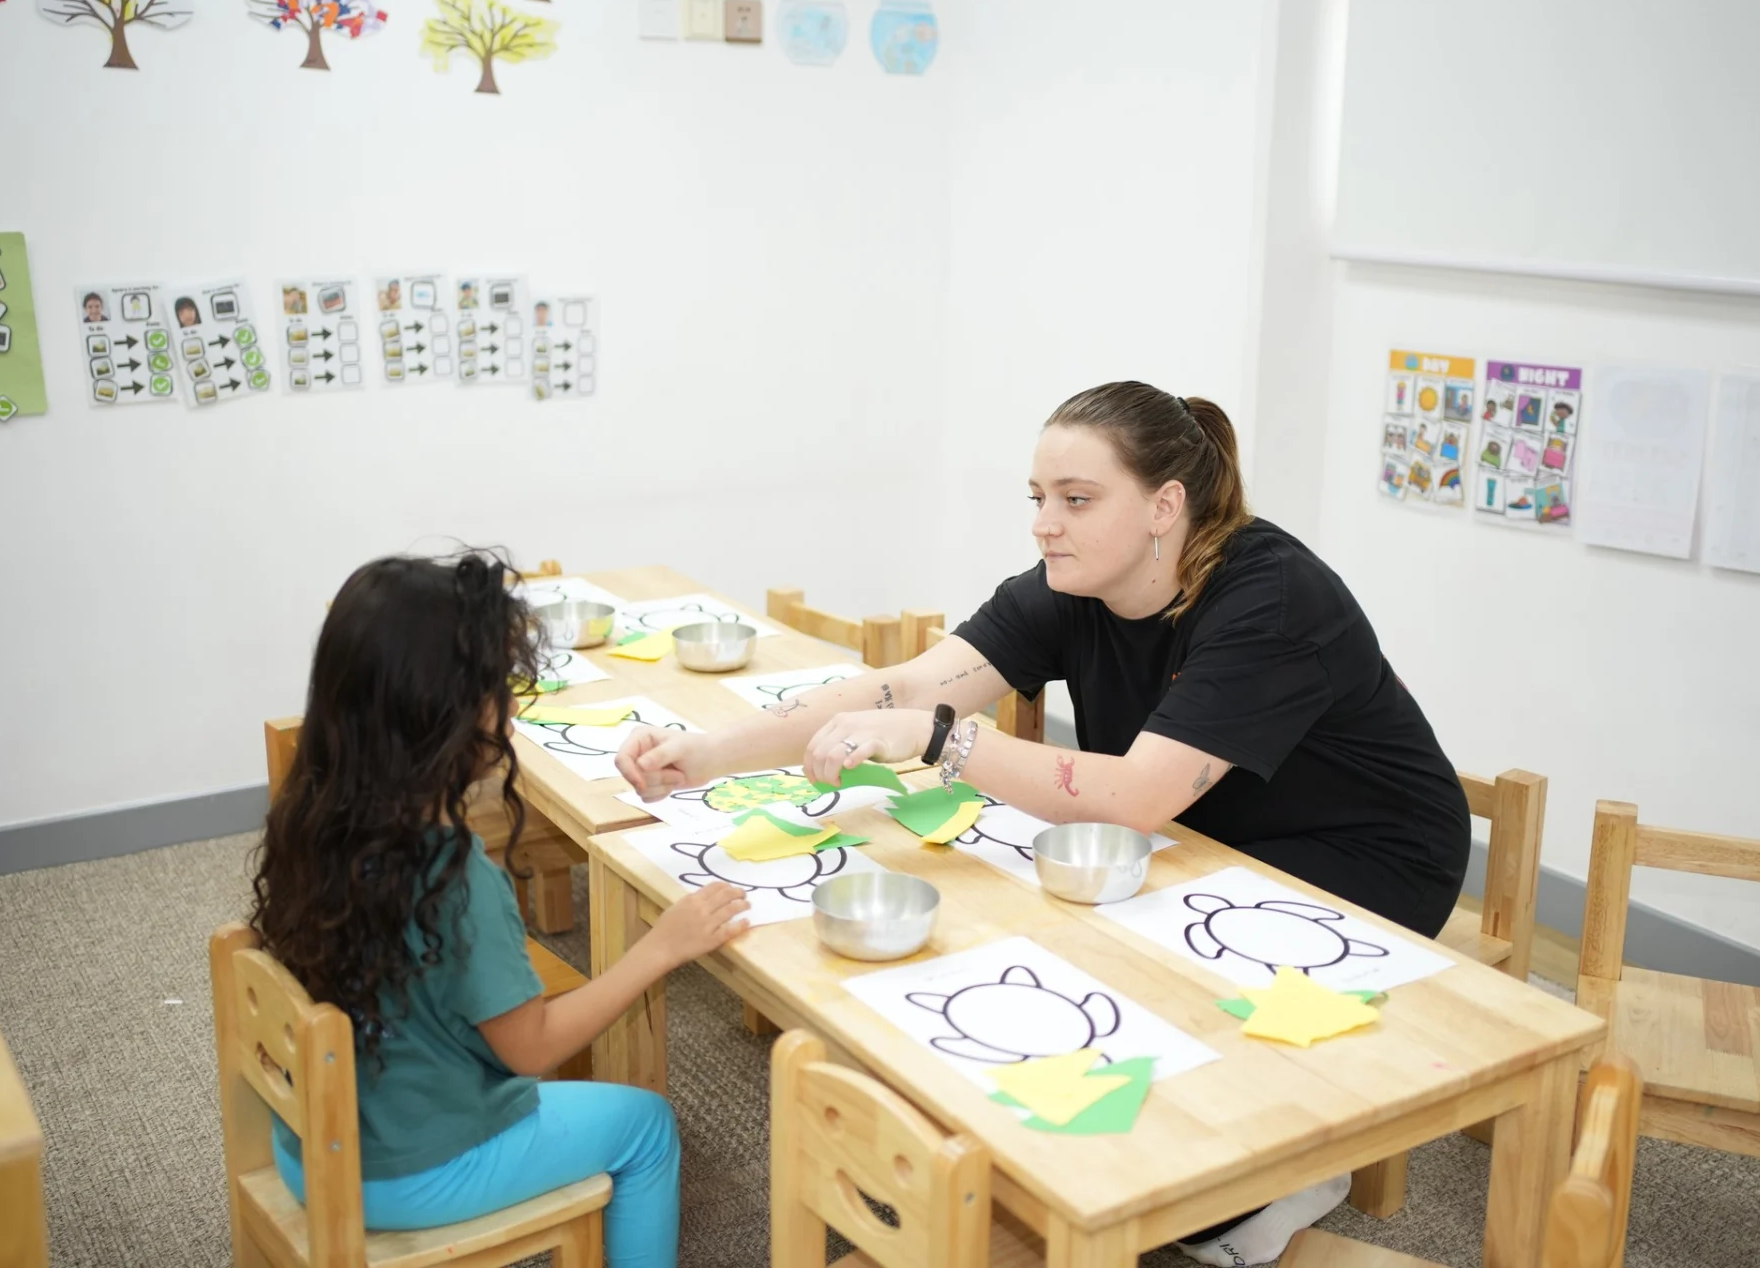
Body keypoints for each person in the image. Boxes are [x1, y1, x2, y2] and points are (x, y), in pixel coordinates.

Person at [617, 380, 1471, 1266]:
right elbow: (906, 688)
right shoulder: (1073, 583)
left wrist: (942, 741)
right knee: (1081, 972)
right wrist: (711, 752)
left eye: (1076, 500)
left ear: (1164, 506)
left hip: (1367, 852)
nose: (1044, 523)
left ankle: (1275, 1177)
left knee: (1154, 1017)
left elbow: (1133, 793)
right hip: (1211, 830)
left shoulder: (1274, 596)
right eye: (1038, 499)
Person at [251, 550, 748, 1268]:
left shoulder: (311, 812)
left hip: (311, 1145)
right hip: (411, 1171)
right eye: (496, 689)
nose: (509, 707)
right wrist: (661, 948)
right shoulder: (452, 873)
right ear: (441, 716)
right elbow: (535, 1048)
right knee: (646, 1126)